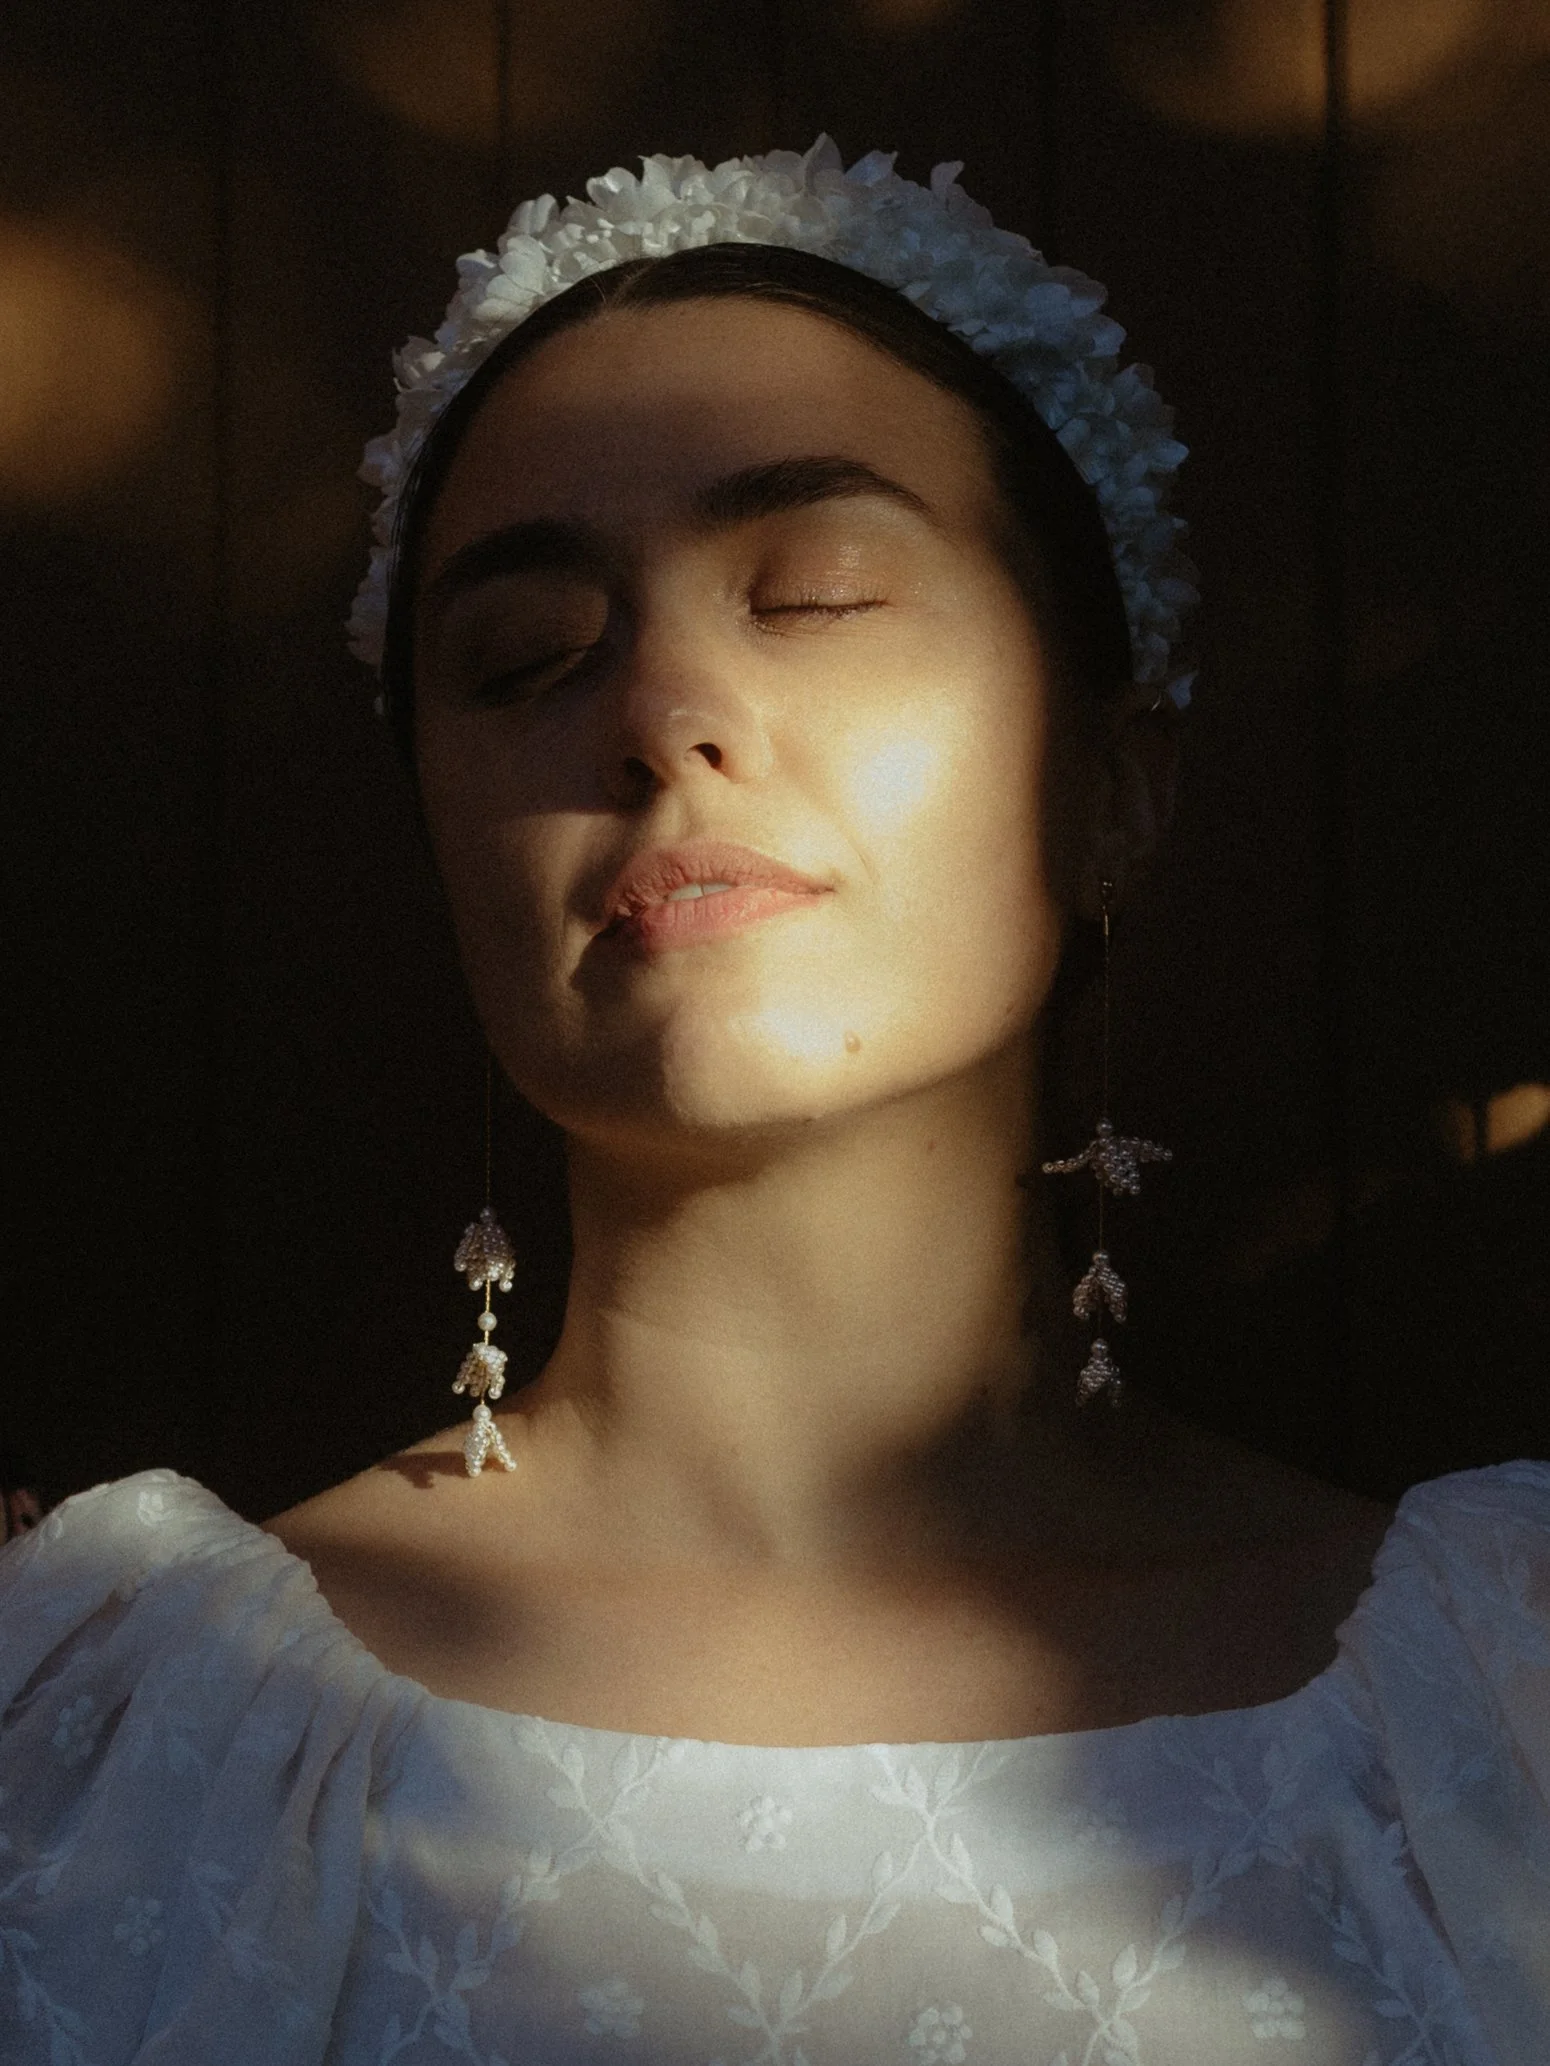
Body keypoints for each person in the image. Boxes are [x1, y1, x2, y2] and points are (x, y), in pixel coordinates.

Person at [1, 141, 1546, 2066]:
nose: (659, 708)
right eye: (522, 657)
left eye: (811, 590)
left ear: (1115, 783)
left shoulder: (1498, 1707)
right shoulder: (107, 1736)